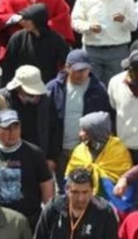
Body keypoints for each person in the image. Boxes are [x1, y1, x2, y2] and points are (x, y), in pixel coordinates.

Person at [0, 110, 54, 228]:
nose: (12, 132)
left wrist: (50, 218)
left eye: (16, 127)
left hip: (29, 221)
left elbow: (47, 187)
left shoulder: (35, 153)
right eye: (7, 128)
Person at [45, 50, 111, 182]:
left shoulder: (98, 89)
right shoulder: (53, 88)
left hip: (87, 152)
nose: (81, 74)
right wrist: (49, 156)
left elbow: (105, 121)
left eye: (85, 70)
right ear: (67, 68)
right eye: (77, 70)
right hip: (60, 152)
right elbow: (46, 124)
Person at [72, 0, 138, 83]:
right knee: (91, 85)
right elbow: (75, 21)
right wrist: (88, 27)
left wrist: (123, 20)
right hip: (92, 50)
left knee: (117, 85)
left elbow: (134, 26)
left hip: (118, 50)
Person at [35, 168, 120, 238]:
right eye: (75, 192)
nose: (80, 198)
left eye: (85, 192)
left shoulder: (104, 212)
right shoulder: (54, 207)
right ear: (67, 190)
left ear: (92, 191)